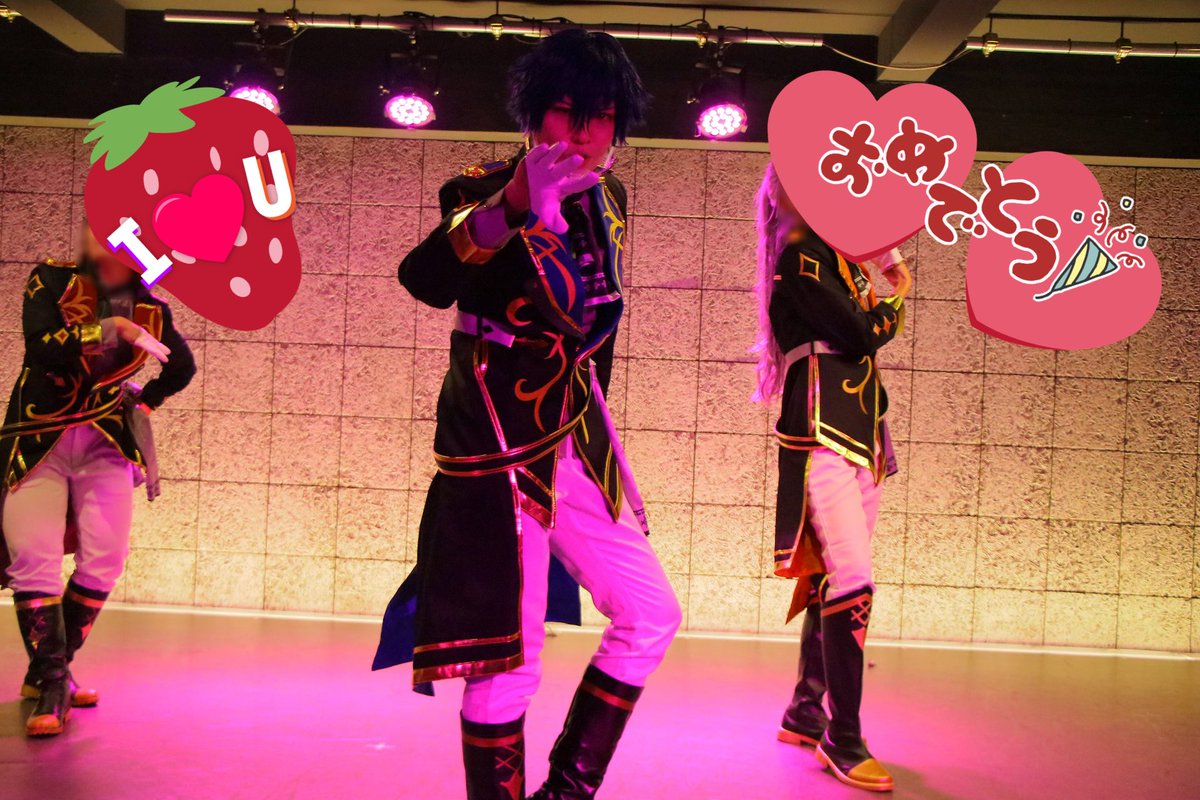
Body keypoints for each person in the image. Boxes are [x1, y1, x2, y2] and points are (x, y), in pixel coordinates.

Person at [374, 28, 681, 800]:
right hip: (497, 447)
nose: (583, 132)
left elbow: (592, 333)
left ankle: (565, 792)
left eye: (601, 116)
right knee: (509, 661)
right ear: (535, 113)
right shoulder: (480, 187)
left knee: (650, 614)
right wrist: (513, 207)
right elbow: (424, 278)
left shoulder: (610, 199)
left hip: (574, 441)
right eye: (567, 112)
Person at [0, 220, 196, 737]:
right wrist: (112, 330)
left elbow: (182, 367)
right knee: (33, 558)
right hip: (38, 440)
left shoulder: (152, 308)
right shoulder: (51, 279)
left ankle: (51, 673)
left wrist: (147, 403)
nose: (103, 244)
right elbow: (42, 347)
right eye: (98, 232)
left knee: (106, 559)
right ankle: (52, 684)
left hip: (104, 445)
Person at [751, 162, 909, 792]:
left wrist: (877, 285)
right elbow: (861, 334)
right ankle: (843, 738)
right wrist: (894, 297)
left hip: (858, 434)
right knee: (853, 577)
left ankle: (805, 709)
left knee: (833, 576)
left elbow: (858, 335)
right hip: (821, 433)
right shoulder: (801, 256)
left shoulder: (837, 263)